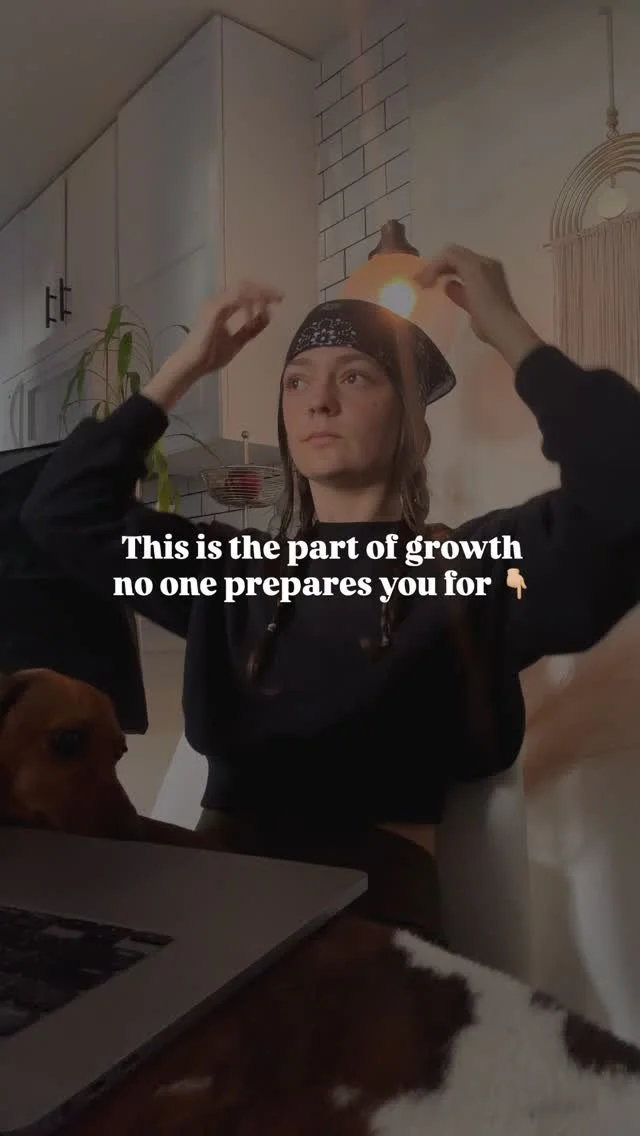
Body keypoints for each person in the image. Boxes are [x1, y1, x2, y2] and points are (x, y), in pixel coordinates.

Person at [21, 245, 640, 944]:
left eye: (354, 376)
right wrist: (188, 364)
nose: (318, 400)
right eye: (296, 382)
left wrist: (507, 329)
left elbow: (626, 482)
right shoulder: (231, 573)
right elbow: (61, 510)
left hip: (364, 938)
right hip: (209, 910)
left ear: (410, 424)